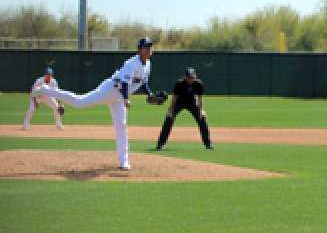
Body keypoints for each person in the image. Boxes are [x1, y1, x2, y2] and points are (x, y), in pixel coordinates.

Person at [35, 37, 162, 170]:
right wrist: (125, 99)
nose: (149, 49)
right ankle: (47, 90)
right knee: (80, 102)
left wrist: (150, 94)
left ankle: (124, 161)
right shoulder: (132, 63)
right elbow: (124, 82)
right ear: (139, 49)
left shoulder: (148, 64)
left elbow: (143, 82)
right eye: (146, 47)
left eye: (150, 46)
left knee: (122, 125)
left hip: (118, 97)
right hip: (110, 89)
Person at [155, 67, 213, 150]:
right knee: (169, 119)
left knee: (202, 119)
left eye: (192, 77)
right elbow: (174, 98)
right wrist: (171, 111)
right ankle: (160, 144)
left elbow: (200, 98)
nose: (191, 79)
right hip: (179, 102)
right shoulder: (179, 84)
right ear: (185, 77)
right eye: (189, 77)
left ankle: (208, 144)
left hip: (192, 102)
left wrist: (201, 110)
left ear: (195, 76)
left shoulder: (198, 84)